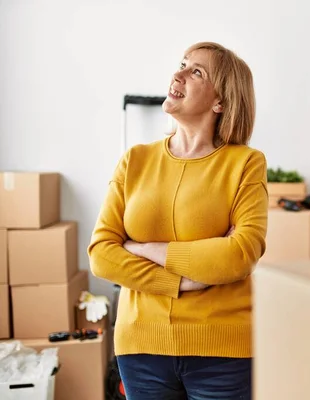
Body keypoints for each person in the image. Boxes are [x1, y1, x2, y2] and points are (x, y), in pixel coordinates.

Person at [88, 41, 268, 400]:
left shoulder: (246, 163)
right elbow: (102, 255)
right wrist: (182, 282)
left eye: (196, 71)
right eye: (182, 64)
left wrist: (145, 249)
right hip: (141, 347)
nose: (178, 74)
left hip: (222, 351)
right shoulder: (134, 161)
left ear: (220, 102)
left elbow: (241, 254)